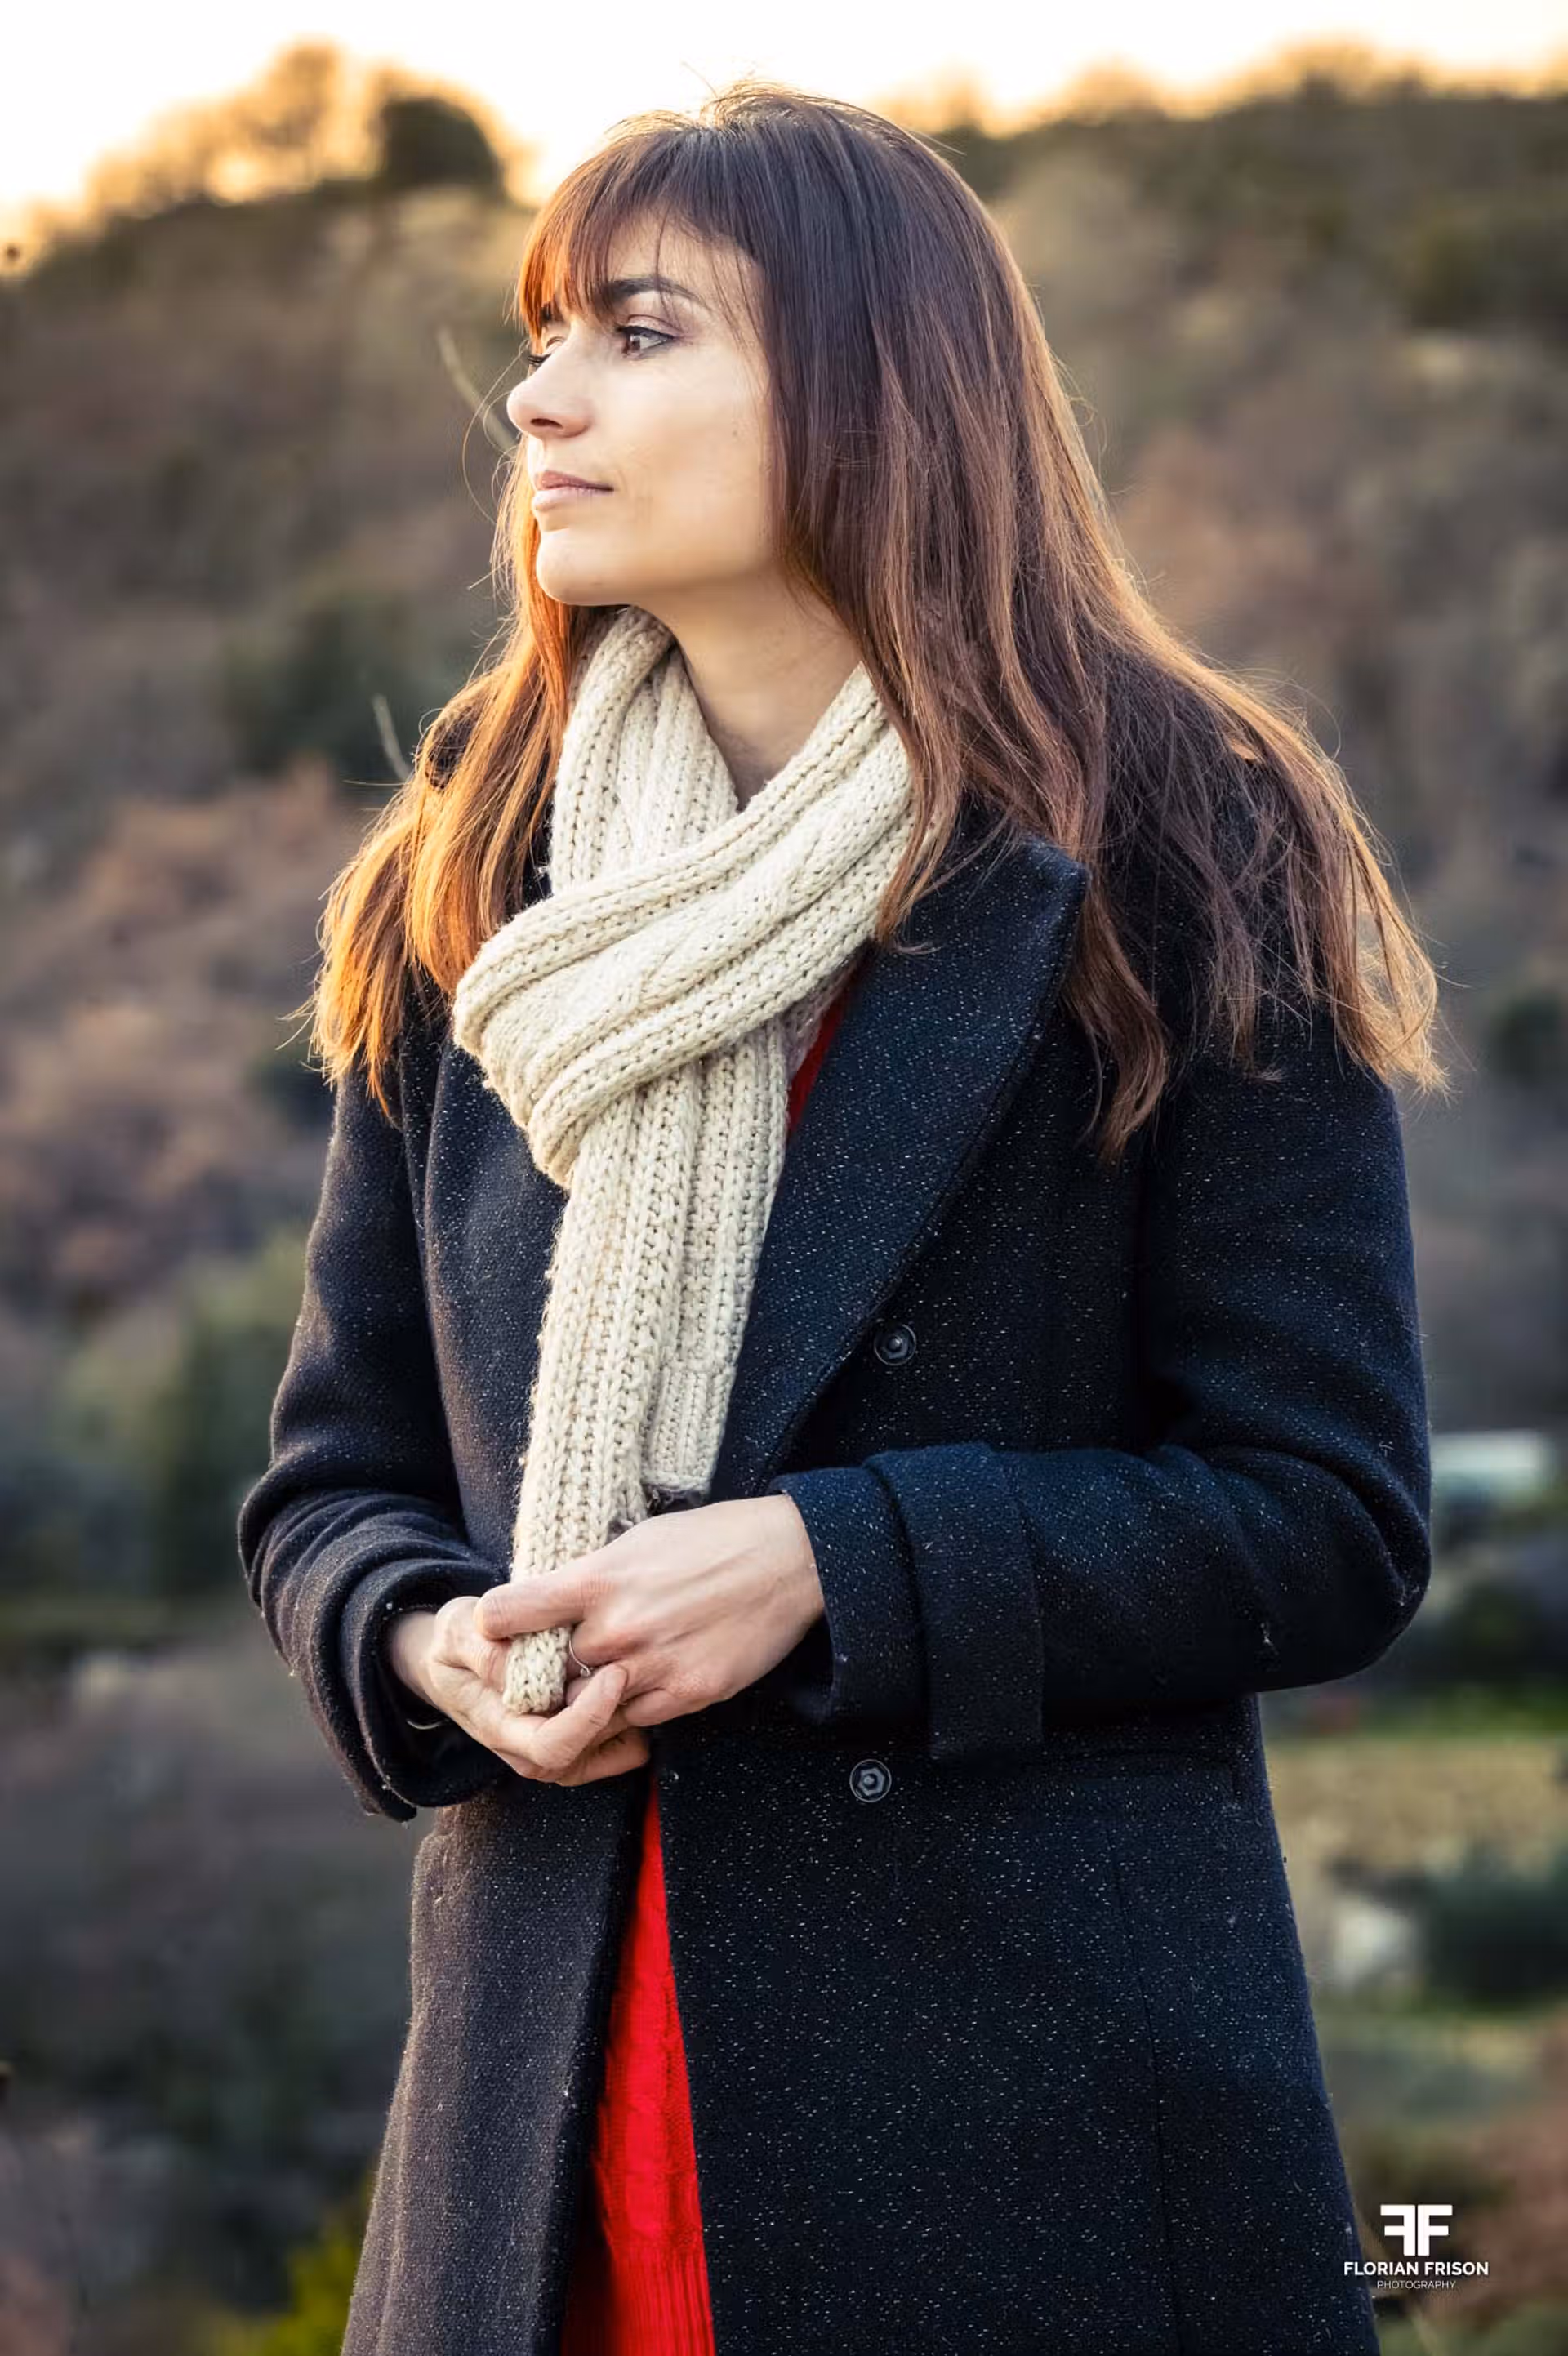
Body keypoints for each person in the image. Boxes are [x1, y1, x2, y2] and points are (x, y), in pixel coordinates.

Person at [237, 77, 1445, 2356]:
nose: (541, 393)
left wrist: (839, 1560)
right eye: (546, 334)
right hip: (545, 2136)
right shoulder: (490, 865)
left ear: (876, 391)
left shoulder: (1181, 836)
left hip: (1035, 2143)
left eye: (642, 331)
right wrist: (421, 1639)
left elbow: (1326, 1515)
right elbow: (332, 1486)